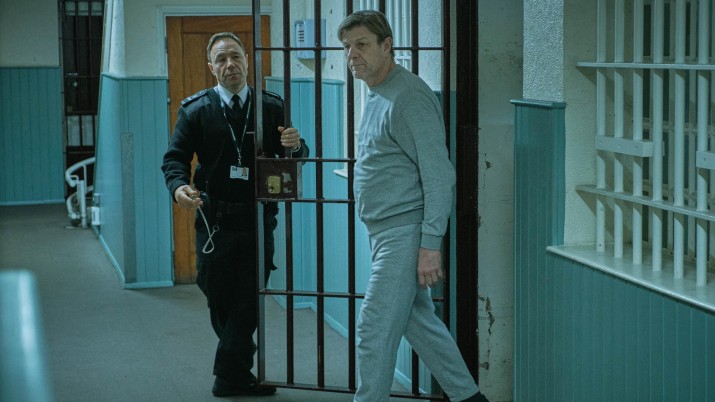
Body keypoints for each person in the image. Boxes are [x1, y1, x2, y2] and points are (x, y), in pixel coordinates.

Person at [338, 11, 489, 402]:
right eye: (347, 47)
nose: (352, 55)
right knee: (419, 323)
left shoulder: (410, 96)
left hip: (403, 233)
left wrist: (429, 244)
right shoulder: (378, 91)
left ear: (387, 45)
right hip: (384, 231)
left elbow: (439, 175)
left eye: (361, 45)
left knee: (373, 329)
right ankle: (470, 398)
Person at [161, 32, 308, 397]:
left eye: (235, 57)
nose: (230, 65)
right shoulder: (195, 110)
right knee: (218, 296)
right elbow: (175, 159)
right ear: (211, 68)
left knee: (250, 297)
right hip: (215, 222)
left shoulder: (271, 106)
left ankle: (229, 376)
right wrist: (178, 188)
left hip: (258, 219)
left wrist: (296, 146)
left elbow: (295, 155)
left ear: (246, 60)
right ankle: (234, 375)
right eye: (222, 60)